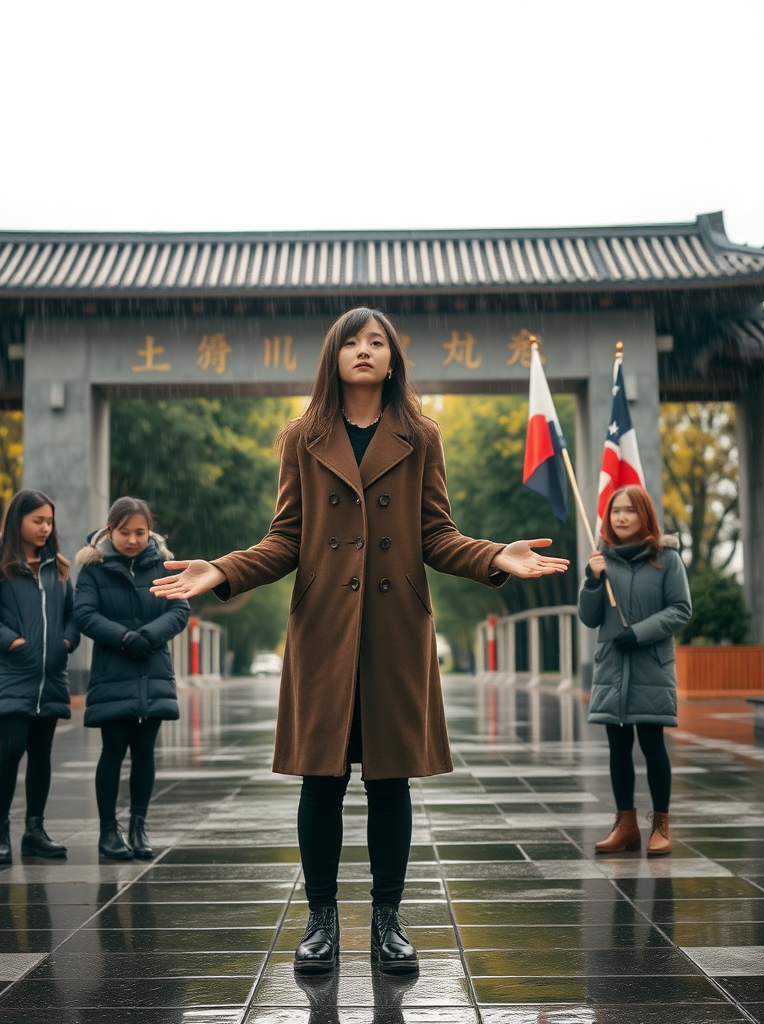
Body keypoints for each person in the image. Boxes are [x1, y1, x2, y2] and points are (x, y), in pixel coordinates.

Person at [150, 307, 568, 974]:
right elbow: (286, 538)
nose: (365, 351)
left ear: (394, 358)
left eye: (378, 342)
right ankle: (320, 923)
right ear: (334, 357)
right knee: (320, 782)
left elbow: (436, 534)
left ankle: (387, 921)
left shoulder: (420, 435)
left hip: (395, 631)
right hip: (323, 630)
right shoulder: (302, 436)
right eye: (353, 342)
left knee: (389, 782)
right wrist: (223, 569)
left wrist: (494, 556)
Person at [0, 488, 79, 864]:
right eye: (38, 521)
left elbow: (74, 615)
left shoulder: (57, 566)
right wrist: (12, 642)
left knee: (41, 754)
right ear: (19, 521)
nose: (46, 528)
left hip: (50, 677)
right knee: (12, 748)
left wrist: (66, 641)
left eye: (50, 521)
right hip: (11, 675)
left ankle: (35, 831)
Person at [74, 497, 190, 860]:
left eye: (140, 532)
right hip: (114, 672)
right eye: (125, 532)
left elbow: (180, 607)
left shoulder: (162, 564)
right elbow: (84, 614)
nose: (133, 539)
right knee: (113, 751)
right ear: (111, 530)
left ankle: (138, 827)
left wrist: (150, 636)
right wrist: (126, 638)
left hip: (152, 670)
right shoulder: (94, 567)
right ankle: (109, 833)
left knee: (144, 753)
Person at [579, 485, 692, 857]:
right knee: (617, 746)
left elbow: (680, 610)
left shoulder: (666, 559)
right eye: (615, 511)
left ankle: (661, 825)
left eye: (629, 510)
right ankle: (625, 825)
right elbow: (589, 617)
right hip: (612, 668)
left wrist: (639, 634)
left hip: (651, 667)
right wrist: (592, 582)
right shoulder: (602, 559)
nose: (622, 517)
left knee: (652, 743)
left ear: (645, 515)